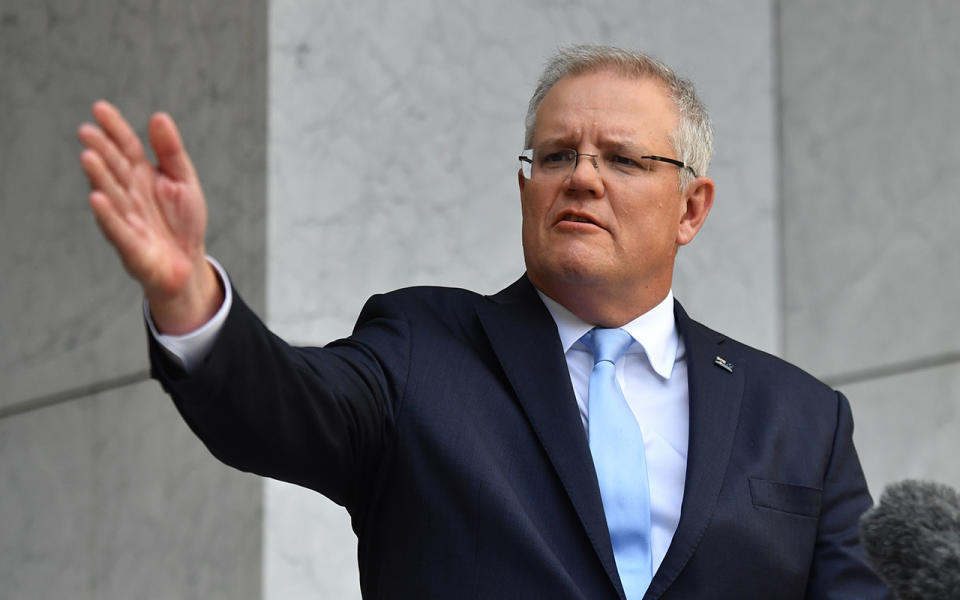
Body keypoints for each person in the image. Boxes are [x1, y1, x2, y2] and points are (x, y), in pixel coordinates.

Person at [78, 45, 890, 599]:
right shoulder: (421, 348)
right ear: (526, 186)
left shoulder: (802, 418)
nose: (582, 178)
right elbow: (279, 406)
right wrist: (190, 299)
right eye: (557, 155)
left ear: (692, 209)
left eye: (621, 158)